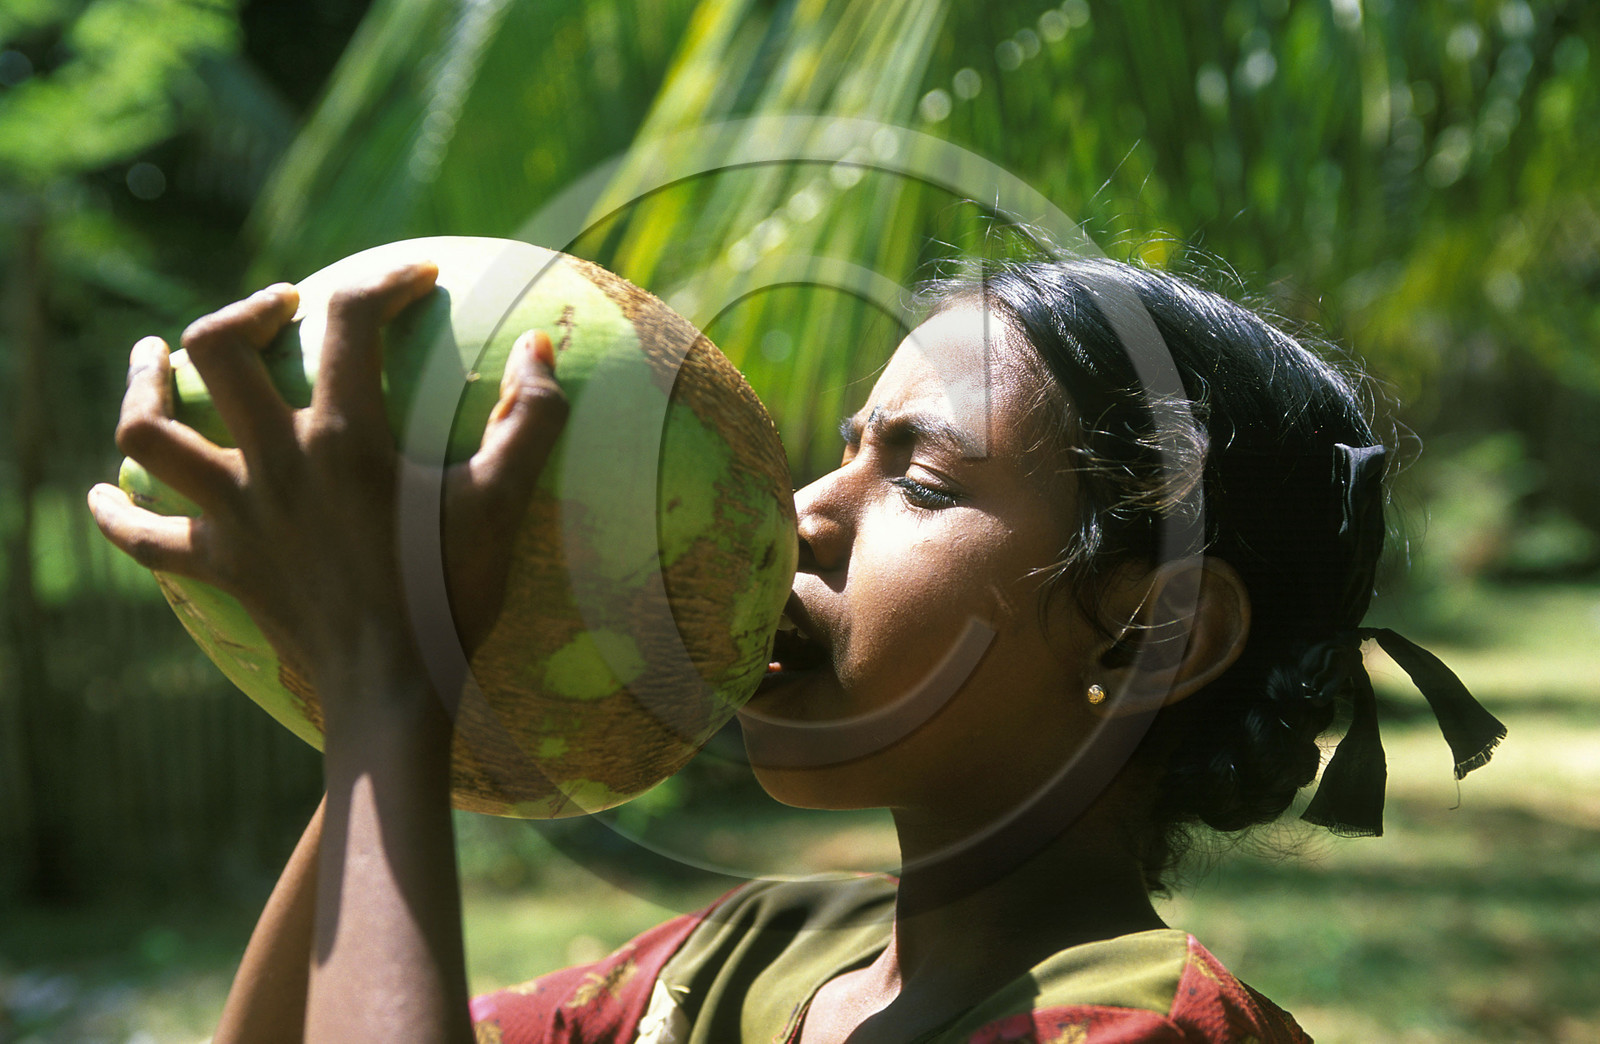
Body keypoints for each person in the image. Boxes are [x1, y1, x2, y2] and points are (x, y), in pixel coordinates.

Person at [89, 253, 1505, 1043]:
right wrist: (384, 708)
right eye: (836, 451)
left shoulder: (1145, 1041)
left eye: (918, 477)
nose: (800, 514)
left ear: (1157, 626)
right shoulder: (739, 966)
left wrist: (386, 687)